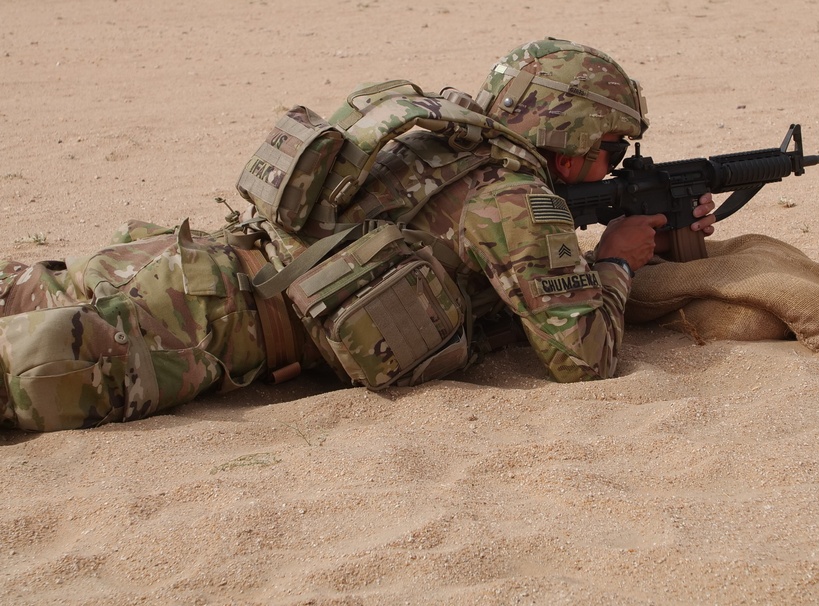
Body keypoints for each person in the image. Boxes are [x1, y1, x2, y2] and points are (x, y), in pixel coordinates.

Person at [0, 38, 715, 432]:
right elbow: (584, 360)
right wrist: (616, 263)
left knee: (18, 292)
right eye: (610, 149)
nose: (611, 163)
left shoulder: (442, 134)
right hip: (209, 329)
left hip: (193, 258)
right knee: (24, 380)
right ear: (569, 142)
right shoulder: (513, 201)